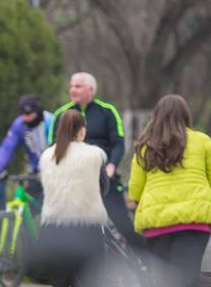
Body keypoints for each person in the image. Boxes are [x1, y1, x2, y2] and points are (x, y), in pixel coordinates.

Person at [127, 94, 211, 287]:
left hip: (157, 223)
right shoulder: (203, 141)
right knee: (186, 278)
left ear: (156, 116)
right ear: (186, 115)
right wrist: (210, 200)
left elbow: (135, 191)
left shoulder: (145, 146)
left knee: (164, 279)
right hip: (194, 222)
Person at [37, 109, 107, 287]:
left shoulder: (47, 156)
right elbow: (104, 187)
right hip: (86, 229)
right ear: (82, 130)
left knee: (59, 285)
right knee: (91, 285)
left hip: (54, 229)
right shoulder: (94, 155)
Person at [48, 73, 141, 250]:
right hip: (73, 183)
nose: (72, 90)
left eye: (78, 86)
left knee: (124, 226)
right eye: (71, 86)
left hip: (104, 179)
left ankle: (148, 261)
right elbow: (53, 147)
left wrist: (111, 166)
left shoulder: (107, 111)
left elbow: (118, 143)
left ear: (91, 90)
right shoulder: (61, 114)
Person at [0, 94, 51, 202]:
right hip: (36, 172)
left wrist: (49, 168)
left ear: (37, 111)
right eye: (22, 114)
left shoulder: (51, 121)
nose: (25, 117)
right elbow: (7, 148)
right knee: (30, 203)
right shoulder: (20, 124)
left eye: (28, 114)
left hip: (54, 170)